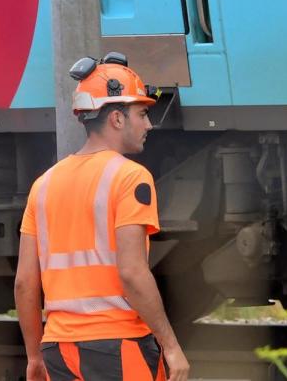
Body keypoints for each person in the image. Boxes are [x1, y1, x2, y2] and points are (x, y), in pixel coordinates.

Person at [14, 54, 190, 381]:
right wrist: (171, 345)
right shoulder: (129, 177)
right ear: (117, 119)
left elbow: (25, 282)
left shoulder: (43, 185)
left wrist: (35, 356)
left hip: (58, 350)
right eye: (142, 114)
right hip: (118, 344)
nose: (149, 125)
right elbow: (132, 272)